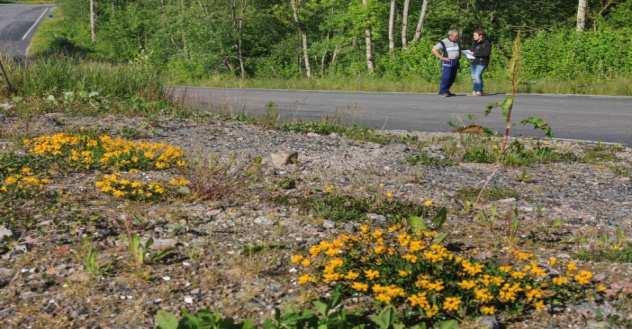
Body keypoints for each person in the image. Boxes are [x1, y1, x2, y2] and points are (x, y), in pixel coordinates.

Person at [432, 30, 461, 97]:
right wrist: (441, 57)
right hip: (447, 62)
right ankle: (442, 92)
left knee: (452, 78)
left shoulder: (457, 42)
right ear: (450, 36)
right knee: (446, 78)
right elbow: (434, 50)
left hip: (455, 62)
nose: (457, 37)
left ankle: (446, 91)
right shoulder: (443, 42)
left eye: (457, 36)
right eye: (456, 36)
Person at [469, 28, 491, 96]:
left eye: (475, 35)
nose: (474, 37)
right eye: (473, 35)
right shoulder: (474, 42)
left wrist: (475, 54)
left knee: (477, 75)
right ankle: (477, 90)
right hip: (474, 61)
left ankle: (478, 90)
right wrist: (469, 53)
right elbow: (472, 50)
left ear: (480, 36)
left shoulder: (486, 43)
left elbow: (486, 53)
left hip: (482, 62)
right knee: (473, 76)